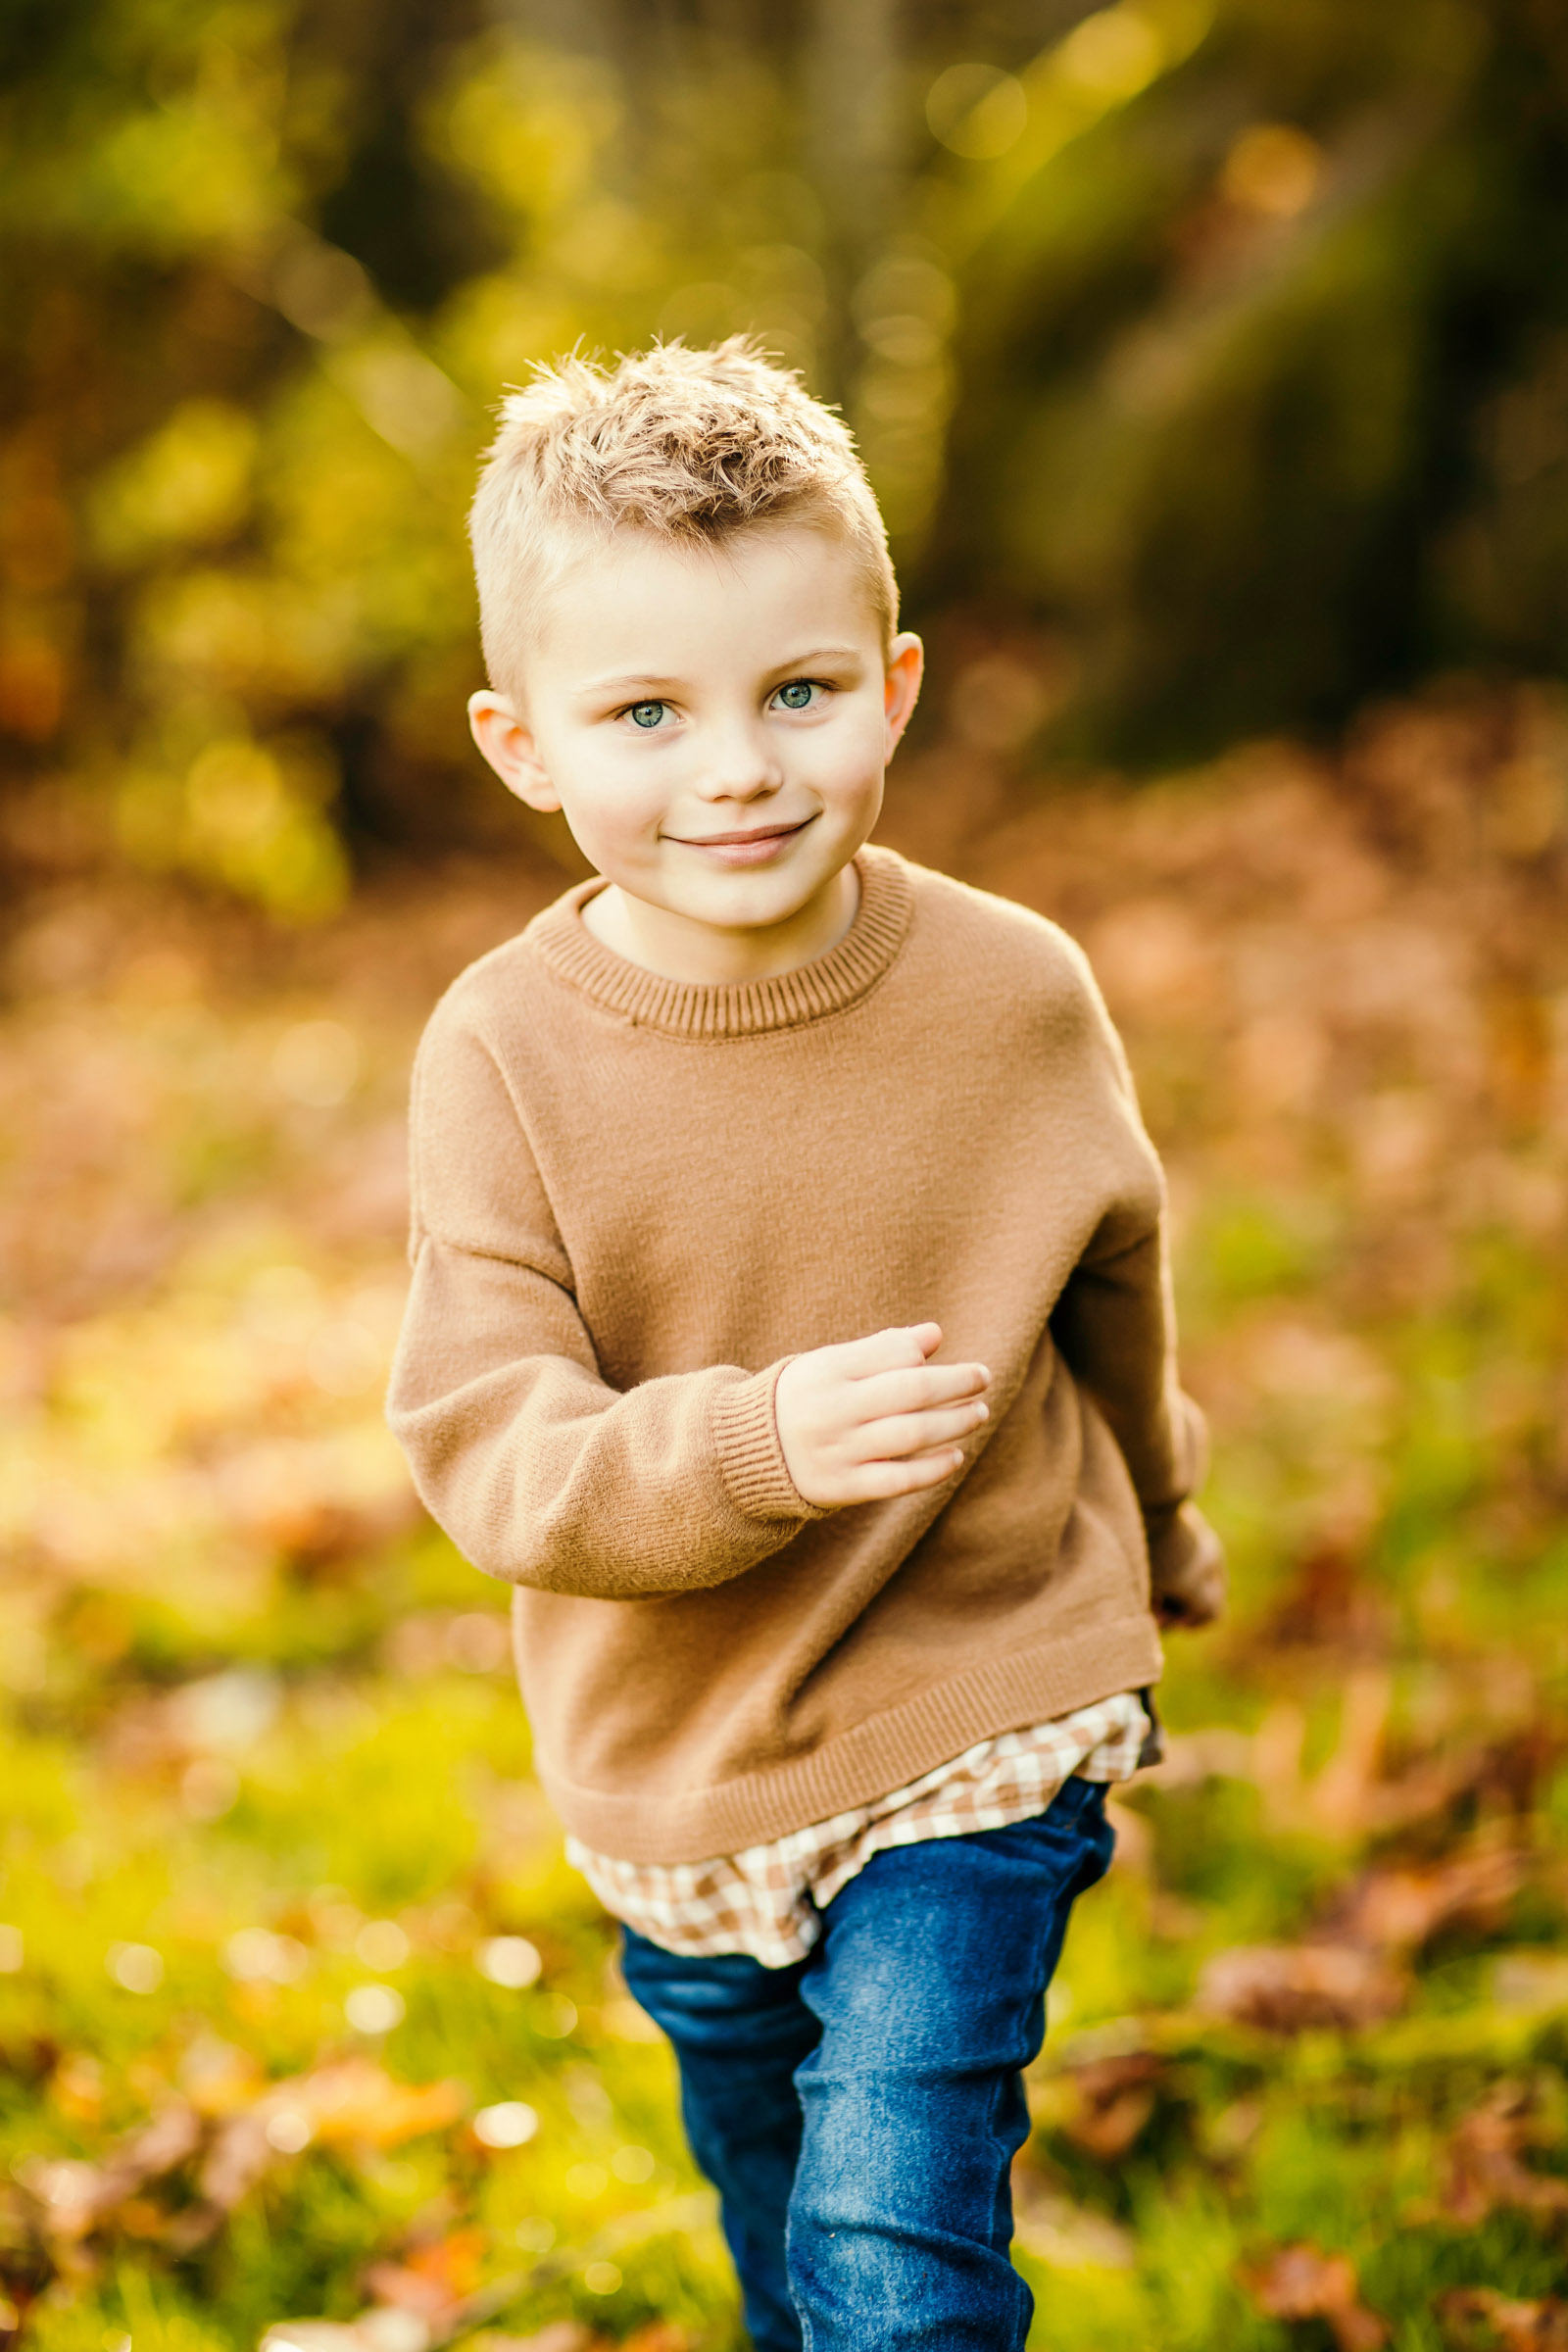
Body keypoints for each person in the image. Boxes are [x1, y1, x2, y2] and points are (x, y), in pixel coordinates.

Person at [387, 337, 1224, 2352]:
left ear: (893, 687)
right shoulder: (502, 1054)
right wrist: (749, 1445)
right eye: (645, 715)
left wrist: (1163, 1512)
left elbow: (1113, 1278)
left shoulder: (1013, 993)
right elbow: (489, 1446)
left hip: (981, 1693)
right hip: (674, 1754)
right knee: (777, 2215)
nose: (736, 767)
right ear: (523, 747)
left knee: (889, 2238)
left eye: (796, 693)